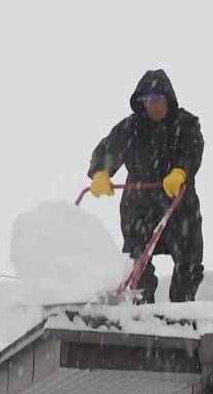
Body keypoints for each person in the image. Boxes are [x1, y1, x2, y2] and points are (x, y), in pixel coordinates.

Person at [87, 69, 205, 303]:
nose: (152, 105)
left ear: (168, 99)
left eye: (157, 99)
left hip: (179, 206)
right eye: (147, 100)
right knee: (136, 261)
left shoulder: (186, 124)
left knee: (189, 261)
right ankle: (141, 309)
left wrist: (181, 170)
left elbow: (193, 149)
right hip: (139, 206)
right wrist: (101, 171)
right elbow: (108, 148)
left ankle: (182, 311)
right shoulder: (132, 127)